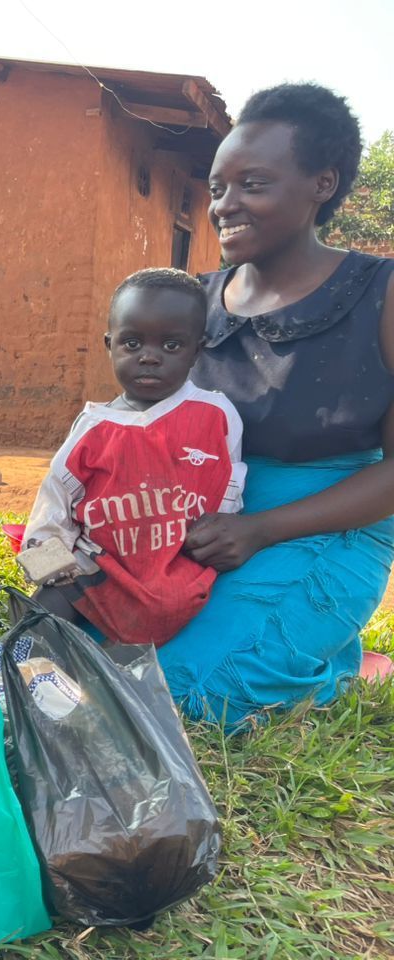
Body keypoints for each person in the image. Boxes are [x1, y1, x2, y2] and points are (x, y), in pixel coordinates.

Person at [157, 83, 394, 727]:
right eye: (216, 188)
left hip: (329, 526)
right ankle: (323, 648)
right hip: (204, 527)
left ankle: (321, 658)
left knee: (189, 694)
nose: (225, 206)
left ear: (322, 183)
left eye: (252, 185)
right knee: (84, 654)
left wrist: (260, 529)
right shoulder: (192, 301)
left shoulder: (381, 293)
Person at [22, 268, 246, 645]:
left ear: (197, 350)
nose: (149, 358)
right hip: (101, 569)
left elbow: (229, 486)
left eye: (171, 346)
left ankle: (114, 673)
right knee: (42, 610)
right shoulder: (94, 427)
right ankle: (12, 671)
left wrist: (214, 537)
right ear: (109, 345)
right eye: (132, 344)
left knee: (144, 660)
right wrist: (45, 563)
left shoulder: (217, 416)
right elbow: (56, 500)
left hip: (179, 570)